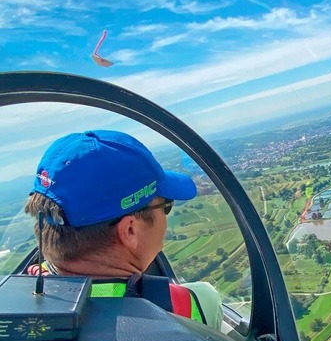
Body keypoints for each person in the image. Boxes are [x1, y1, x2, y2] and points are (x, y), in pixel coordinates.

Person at [24, 129, 222, 329]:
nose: (166, 215)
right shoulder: (194, 305)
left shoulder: (16, 302)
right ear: (129, 231)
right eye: (166, 206)